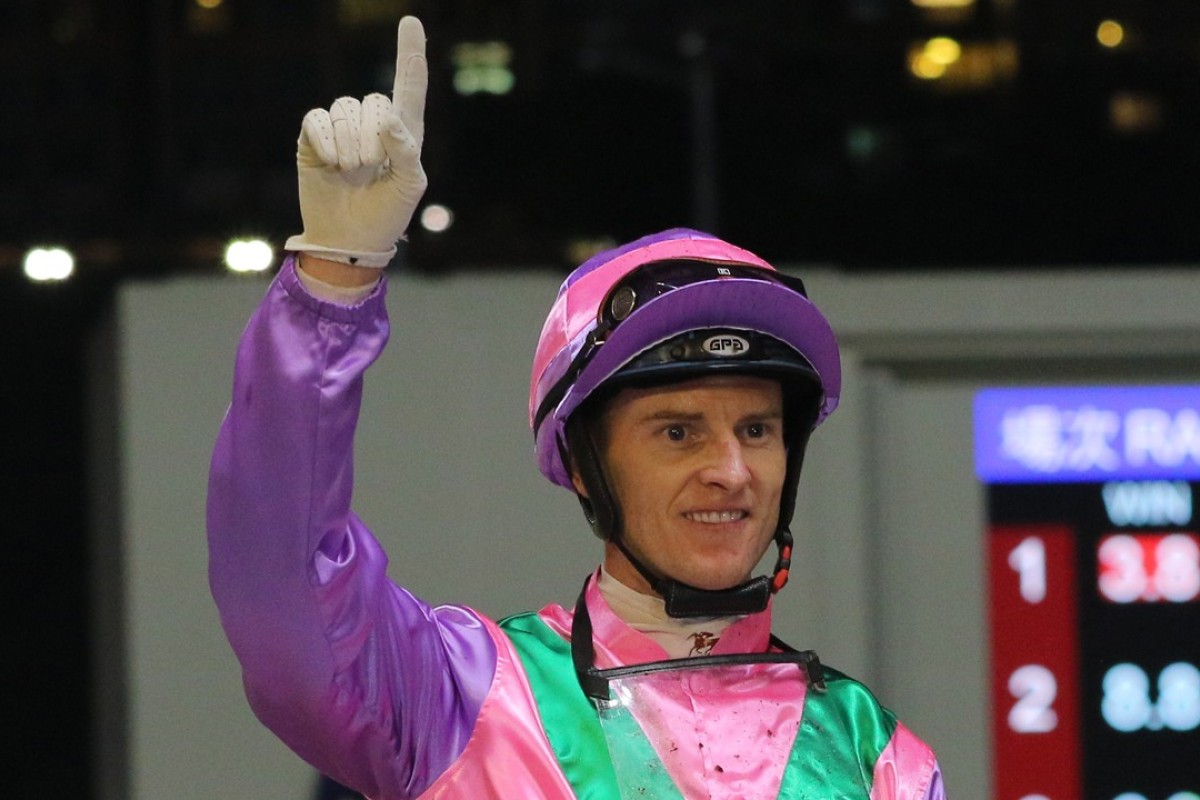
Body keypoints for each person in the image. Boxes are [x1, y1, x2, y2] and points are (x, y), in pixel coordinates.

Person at [207, 15, 946, 800]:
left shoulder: (878, 755)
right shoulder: (458, 698)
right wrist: (333, 281)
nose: (731, 472)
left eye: (757, 430)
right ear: (586, 468)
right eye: (678, 431)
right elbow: (283, 583)